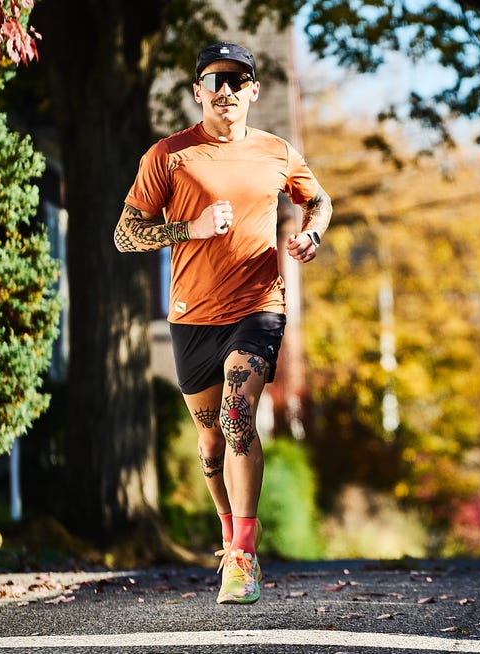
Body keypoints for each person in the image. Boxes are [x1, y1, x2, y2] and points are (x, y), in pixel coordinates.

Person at [113, 41, 332, 605]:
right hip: (192, 316)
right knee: (210, 444)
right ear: (198, 92)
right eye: (216, 81)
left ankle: (244, 554)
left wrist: (310, 233)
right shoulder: (170, 155)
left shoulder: (277, 152)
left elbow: (320, 200)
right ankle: (227, 535)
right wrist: (191, 228)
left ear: (253, 91)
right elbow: (125, 234)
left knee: (238, 418)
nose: (227, 91)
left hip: (259, 306)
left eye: (238, 81)